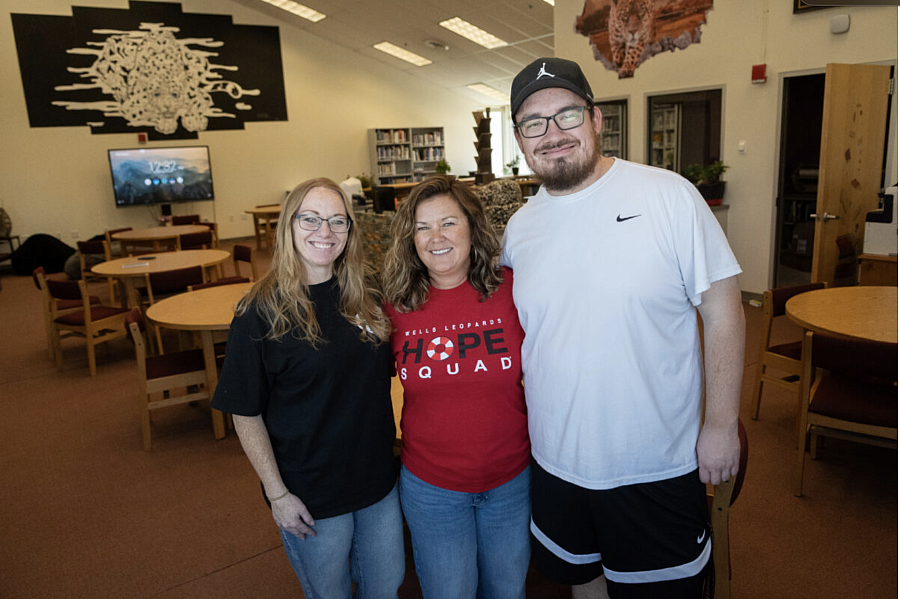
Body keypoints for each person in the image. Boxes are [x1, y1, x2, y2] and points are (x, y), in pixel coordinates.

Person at [500, 58, 746, 599]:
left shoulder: (667, 196)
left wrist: (722, 424)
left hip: (654, 462)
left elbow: (724, 308)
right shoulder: (520, 228)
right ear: (520, 138)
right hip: (555, 460)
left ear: (596, 119)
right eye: (534, 123)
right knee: (583, 585)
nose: (553, 134)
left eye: (566, 115)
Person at [212, 178, 405, 597]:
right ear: (289, 225)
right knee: (330, 592)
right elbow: (244, 412)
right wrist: (278, 495)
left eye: (338, 221)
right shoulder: (259, 312)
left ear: (350, 230)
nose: (325, 231)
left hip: (376, 479)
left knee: (385, 585)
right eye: (311, 219)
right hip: (311, 490)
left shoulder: (367, 293)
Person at [381, 175, 531, 599]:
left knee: (508, 592)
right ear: (410, 239)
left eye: (448, 222)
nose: (436, 237)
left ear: (471, 226)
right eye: (422, 227)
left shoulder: (513, 289)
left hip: (510, 481)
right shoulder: (394, 305)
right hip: (433, 488)